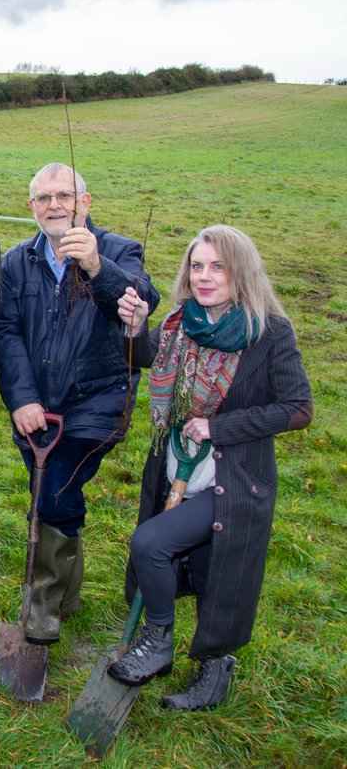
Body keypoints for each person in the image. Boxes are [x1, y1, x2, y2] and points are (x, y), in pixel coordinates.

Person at [105, 225, 312, 710]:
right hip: (179, 469)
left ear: (241, 272)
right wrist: (134, 330)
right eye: (197, 266)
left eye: (218, 267)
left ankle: (161, 643)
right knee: (201, 564)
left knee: (152, 544)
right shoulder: (182, 321)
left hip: (232, 481)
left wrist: (219, 427)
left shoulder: (269, 333)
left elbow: (299, 408)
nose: (204, 276)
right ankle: (211, 669)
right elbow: (147, 359)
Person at [0, 163, 160, 644]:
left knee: (54, 490)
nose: (54, 205)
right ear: (31, 207)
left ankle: (43, 604)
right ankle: (66, 596)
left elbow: (141, 303)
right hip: (36, 408)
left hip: (97, 403)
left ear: (85, 202)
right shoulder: (17, 261)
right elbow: (5, 333)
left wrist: (98, 267)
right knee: (51, 493)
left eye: (64, 195)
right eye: (43, 198)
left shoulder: (119, 250)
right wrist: (22, 399)